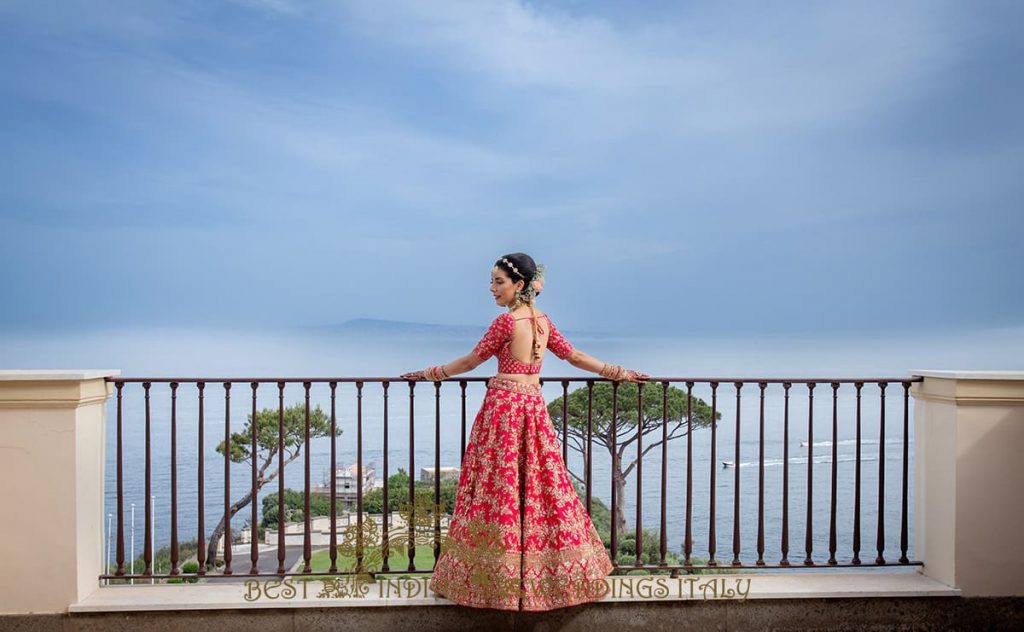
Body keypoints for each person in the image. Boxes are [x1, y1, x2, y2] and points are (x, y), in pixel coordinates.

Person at [400, 252, 648, 611]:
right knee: (541, 490)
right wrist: (619, 371)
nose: (492, 288)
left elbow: (471, 361)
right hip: (533, 409)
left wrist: (428, 373)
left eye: (498, 282)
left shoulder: (505, 323)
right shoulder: (544, 323)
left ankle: (488, 583)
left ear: (519, 285)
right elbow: (574, 357)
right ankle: (550, 581)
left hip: (503, 412)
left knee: (495, 492)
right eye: (492, 281)